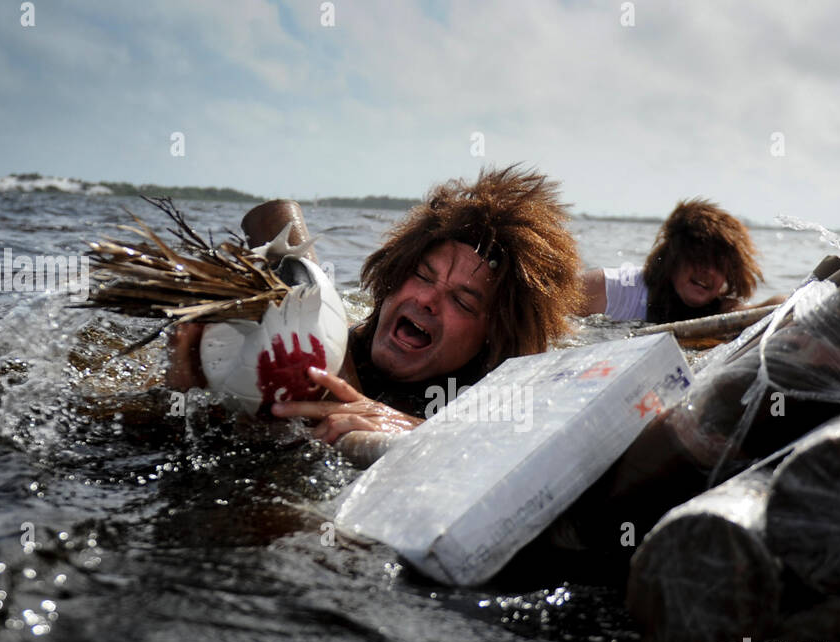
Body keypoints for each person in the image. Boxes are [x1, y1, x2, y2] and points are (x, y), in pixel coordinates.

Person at [168, 165, 583, 444]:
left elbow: (521, 463)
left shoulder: (486, 406)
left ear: (494, 337)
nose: (427, 300)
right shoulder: (317, 336)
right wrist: (187, 404)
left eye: (462, 300)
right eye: (421, 276)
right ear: (391, 277)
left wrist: (415, 435)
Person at [579, 198, 781, 323]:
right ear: (674, 258)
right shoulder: (615, 289)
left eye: (719, 266)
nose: (709, 272)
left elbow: (775, 307)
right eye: (700, 259)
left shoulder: (725, 313)